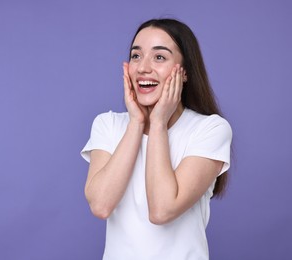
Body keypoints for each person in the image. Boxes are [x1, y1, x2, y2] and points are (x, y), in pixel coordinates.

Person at [81, 18, 232, 260]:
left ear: (185, 73)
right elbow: (101, 205)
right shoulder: (107, 124)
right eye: (136, 56)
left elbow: (162, 210)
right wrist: (137, 123)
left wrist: (159, 123)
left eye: (159, 57)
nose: (142, 68)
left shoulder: (210, 129)